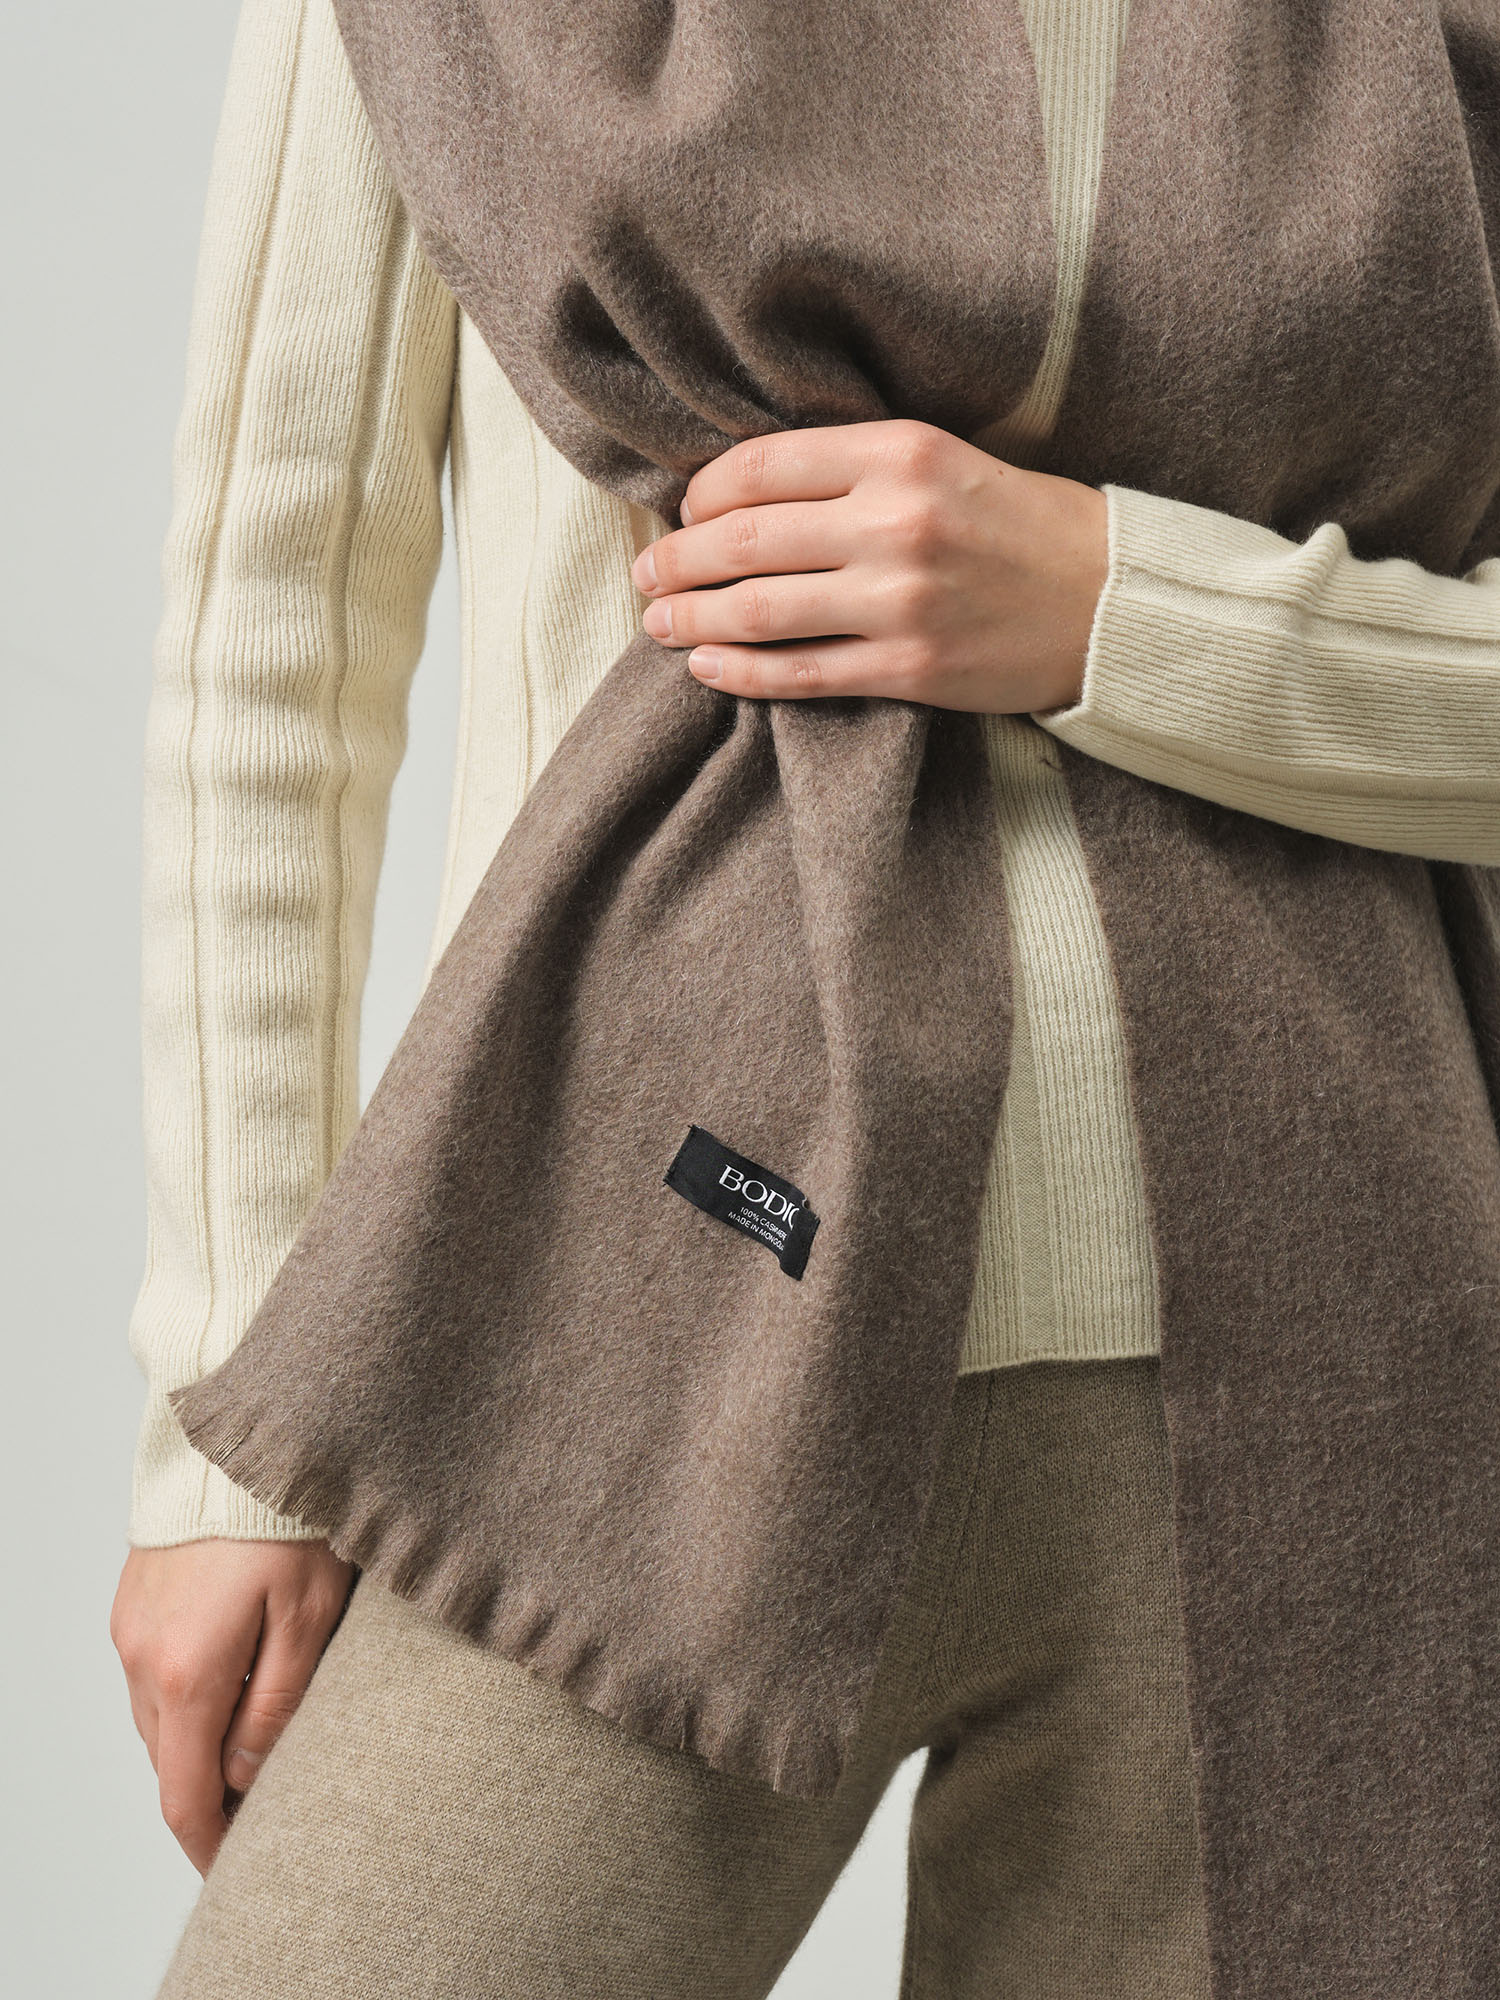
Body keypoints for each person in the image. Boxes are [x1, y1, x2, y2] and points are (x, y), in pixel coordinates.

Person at [110, 0, 1500, 1992]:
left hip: (1317, 1347)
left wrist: (1118, 607)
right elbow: (278, 630)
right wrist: (224, 1450)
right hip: (623, 1313)